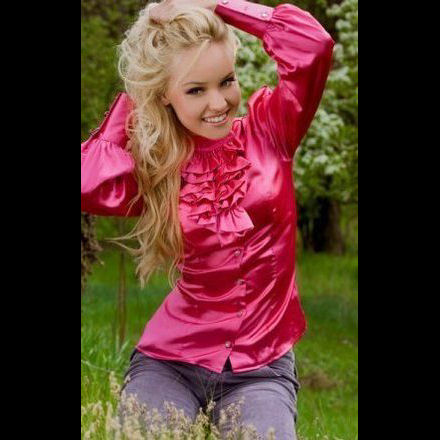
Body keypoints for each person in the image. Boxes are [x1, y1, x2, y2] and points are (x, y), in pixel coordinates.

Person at [81, 0, 335, 438]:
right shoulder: (158, 165)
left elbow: (312, 45)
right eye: (195, 90)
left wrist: (214, 5)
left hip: (263, 369)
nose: (219, 102)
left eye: (227, 81)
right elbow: (89, 181)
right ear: (165, 95)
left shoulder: (271, 130)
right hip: (170, 363)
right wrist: (137, 93)